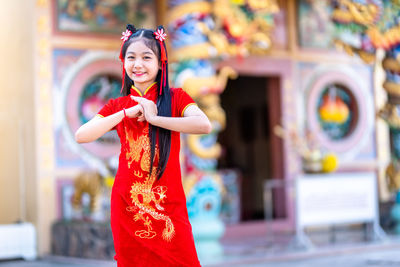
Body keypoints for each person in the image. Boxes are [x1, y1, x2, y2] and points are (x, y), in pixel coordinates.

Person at [75, 24, 210, 267]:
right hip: (128, 207)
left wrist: (155, 118)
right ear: (123, 62)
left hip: (168, 206)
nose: (137, 64)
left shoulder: (176, 98)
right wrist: (127, 112)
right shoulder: (117, 105)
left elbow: (203, 125)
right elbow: (82, 135)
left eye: (147, 57)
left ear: (161, 63)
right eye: (131, 57)